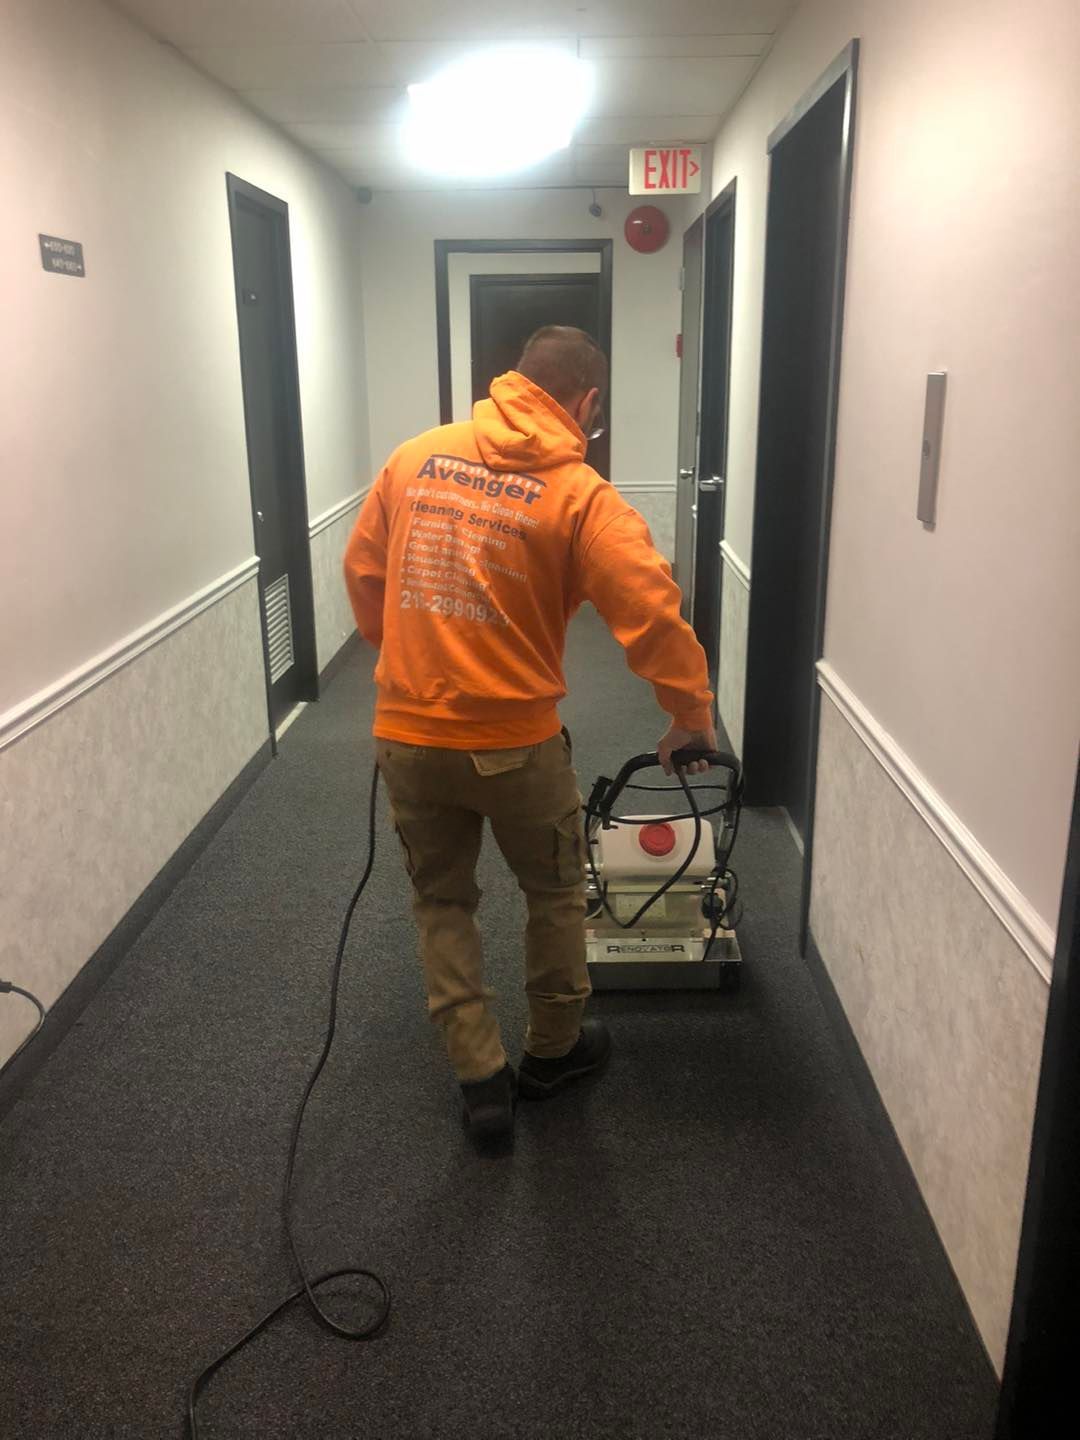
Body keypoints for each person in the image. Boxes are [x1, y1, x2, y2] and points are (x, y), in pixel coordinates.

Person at [343, 326, 716, 1145]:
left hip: (407, 735)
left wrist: (404, 652)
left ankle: (479, 1079)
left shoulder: (415, 458)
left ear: (510, 381)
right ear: (587, 404)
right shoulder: (582, 495)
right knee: (551, 894)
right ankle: (553, 1053)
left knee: (441, 900)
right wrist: (690, 712)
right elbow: (648, 611)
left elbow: (364, 572)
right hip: (517, 747)